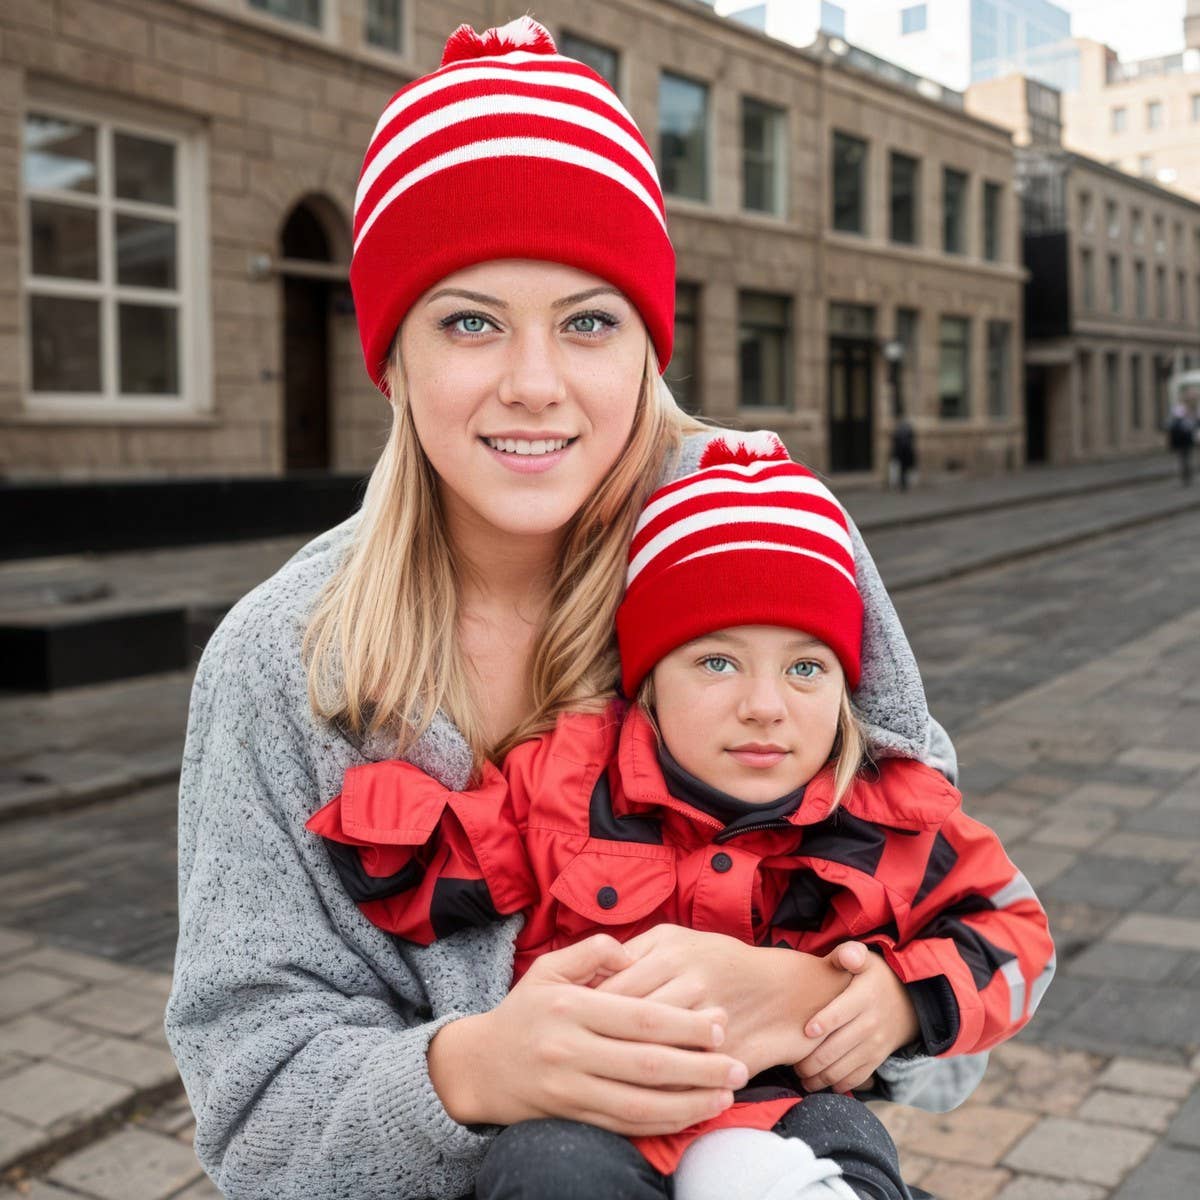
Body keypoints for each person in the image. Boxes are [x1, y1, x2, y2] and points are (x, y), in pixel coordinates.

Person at [165, 18, 1007, 1199]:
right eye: (470, 320)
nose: (534, 383)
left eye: (589, 320)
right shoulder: (284, 660)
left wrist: (818, 999)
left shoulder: (767, 536)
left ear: (649, 347)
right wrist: (470, 1073)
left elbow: (961, 934)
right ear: (393, 353)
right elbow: (253, 1112)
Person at [307, 434, 1056, 1200]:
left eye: (806, 668)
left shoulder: (887, 812)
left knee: (850, 1154)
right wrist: (385, 820)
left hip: (787, 1110)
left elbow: (1017, 938)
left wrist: (905, 1000)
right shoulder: (569, 777)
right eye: (717, 663)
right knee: (537, 1169)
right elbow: (454, 858)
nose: (764, 706)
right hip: (599, 1106)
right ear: (649, 681)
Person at [1167, 401, 1195, 486]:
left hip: (1184, 446)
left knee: (1184, 462)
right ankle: (1186, 478)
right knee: (1184, 462)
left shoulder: (1179, 423)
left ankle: (1186, 477)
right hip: (1184, 446)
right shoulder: (1181, 423)